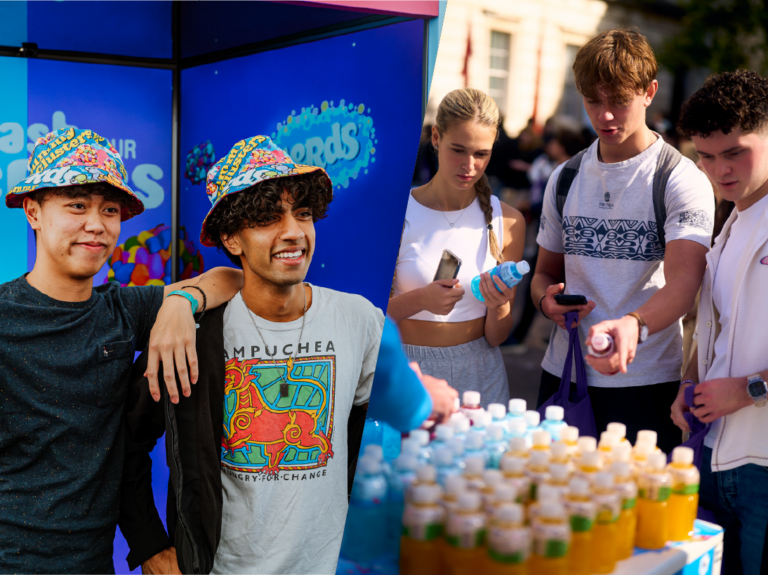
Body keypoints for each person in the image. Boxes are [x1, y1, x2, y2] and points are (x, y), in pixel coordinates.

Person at [120, 135, 387, 575]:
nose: (293, 232)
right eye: (267, 218)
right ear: (232, 238)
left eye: (302, 214)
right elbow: (128, 441)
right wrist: (149, 544)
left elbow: (374, 427)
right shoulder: (194, 334)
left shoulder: (359, 319)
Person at [0, 129, 243, 574]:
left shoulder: (122, 309)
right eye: (77, 205)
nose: (96, 224)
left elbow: (232, 278)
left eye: (108, 210)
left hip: (93, 560)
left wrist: (179, 303)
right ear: (33, 212)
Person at [532, 30, 715, 454]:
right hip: (565, 373)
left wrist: (633, 325)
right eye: (593, 101)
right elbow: (544, 273)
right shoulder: (566, 177)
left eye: (619, 100)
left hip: (645, 379)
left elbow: (685, 285)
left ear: (649, 92)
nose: (606, 115)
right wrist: (546, 302)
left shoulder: (680, 178)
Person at [671, 70, 768, 575]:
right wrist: (691, 382)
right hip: (713, 452)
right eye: (705, 156)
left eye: (735, 152)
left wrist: (748, 389)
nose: (719, 170)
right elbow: (718, 325)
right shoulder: (732, 219)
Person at [388, 88, 526, 408]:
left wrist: (500, 304)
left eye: (481, 153)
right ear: (436, 137)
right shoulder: (396, 213)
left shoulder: (509, 222)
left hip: (481, 374)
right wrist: (420, 299)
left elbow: (497, 337)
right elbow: (366, 321)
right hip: (408, 371)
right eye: (458, 150)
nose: (469, 165)